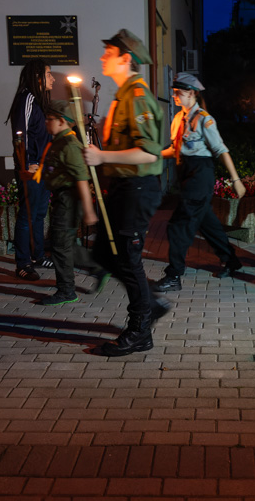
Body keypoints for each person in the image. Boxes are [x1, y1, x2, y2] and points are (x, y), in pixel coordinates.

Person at [83, 29, 170, 357]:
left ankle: (139, 331)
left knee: (127, 259)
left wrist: (103, 156)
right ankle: (153, 303)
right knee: (103, 255)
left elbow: (149, 153)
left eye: (109, 53)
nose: (103, 57)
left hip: (137, 189)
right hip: (121, 188)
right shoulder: (122, 96)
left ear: (126, 59)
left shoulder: (137, 97)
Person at [152, 72, 246, 293]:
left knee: (178, 226)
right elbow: (174, 150)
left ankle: (174, 275)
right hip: (185, 175)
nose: (175, 96)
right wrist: (151, 154)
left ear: (191, 93)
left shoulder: (204, 119)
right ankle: (231, 261)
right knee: (208, 223)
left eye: (178, 93)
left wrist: (236, 180)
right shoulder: (178, 119)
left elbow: (221, 150)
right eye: (174, 92)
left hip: (200, 175)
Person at [37, 100, 100, 305]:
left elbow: (81, 178)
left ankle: (66, 290)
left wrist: (89, 210)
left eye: (50, 119)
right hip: (61, 197)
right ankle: (98, 265)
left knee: (60, 245)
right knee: (61, 243)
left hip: (69, 199)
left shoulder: (70, 145)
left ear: (62, 121)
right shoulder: (58, 141)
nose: (46, 122)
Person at [7, 59, 54, 281]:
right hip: (31, 168)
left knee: (38, 214)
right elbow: (20, 134)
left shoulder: (40, 101)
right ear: (37, 77)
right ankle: (22, 263)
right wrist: (25, 165)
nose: (52, 78)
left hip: (44, 169)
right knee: (26, 216)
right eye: (48, 74)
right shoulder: (27, 98)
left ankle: (37, 255)